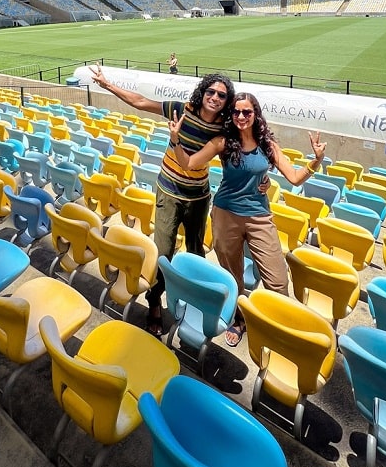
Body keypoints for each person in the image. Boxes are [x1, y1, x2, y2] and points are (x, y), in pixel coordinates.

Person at [169, 91, 326, 347]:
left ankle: (279, 326)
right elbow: (188, 163)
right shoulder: (223, 142)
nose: (241, 116)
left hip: (259, 216)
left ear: (256, 114)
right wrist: (176, 140)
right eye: (236, 112)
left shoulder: (268, 144)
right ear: (231, 115)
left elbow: (295, 177)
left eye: (247, 112)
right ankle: (239, 320)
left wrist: (316, 161)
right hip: (225, 215)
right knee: (234, 277)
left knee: (277, 279)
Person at [88, 64, 235, 335]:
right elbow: (141, 102)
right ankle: (154, 303)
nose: (215, 97)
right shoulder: (182, 110)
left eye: (222, 95)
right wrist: (108, 85)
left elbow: (250, 137)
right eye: (211, 91)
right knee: (163, 251)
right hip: (168, 192)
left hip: (198, 196)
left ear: (227, 101)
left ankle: (193, 302)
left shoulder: (224, 128)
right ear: (203, 92)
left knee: (195, 253)